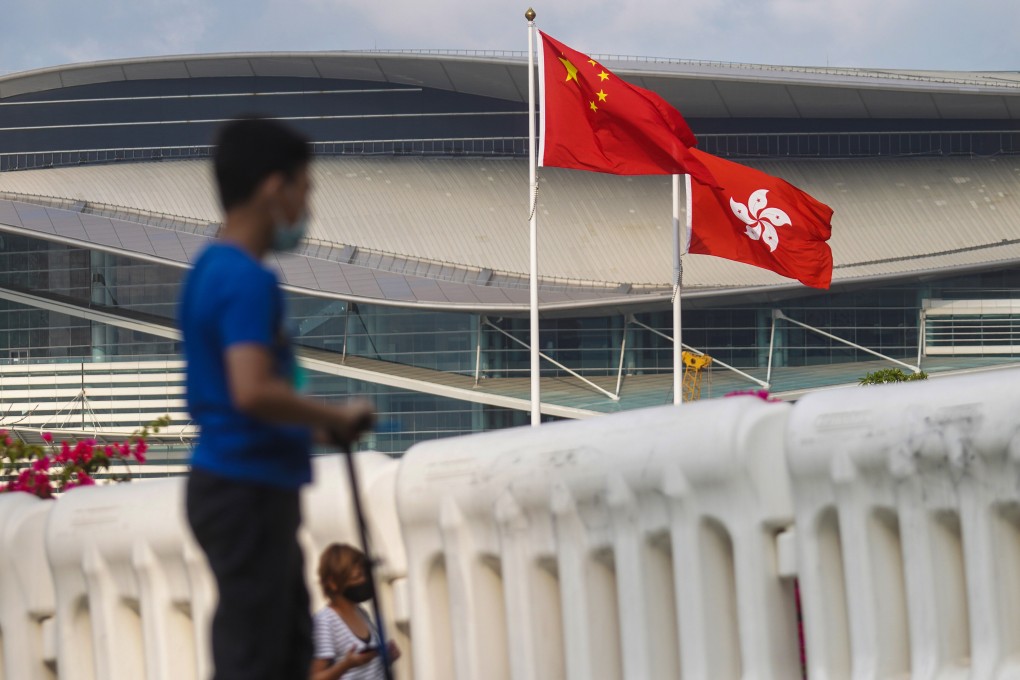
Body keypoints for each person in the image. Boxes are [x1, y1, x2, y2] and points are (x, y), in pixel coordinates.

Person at [181, 116, 375, 680]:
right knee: (261, 656)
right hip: (248, 489)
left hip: (230, 484)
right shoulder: (247, 279)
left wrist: (315, 429)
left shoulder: (207, 268)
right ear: (274, 188)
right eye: (304, 188)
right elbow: (251, 389)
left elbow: (230, 395)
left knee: (271, 643)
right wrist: (337, 415)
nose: (306, 205)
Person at [311, 543, 400, 680]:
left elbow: (367, 670)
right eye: (357, 577)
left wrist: (386, 657)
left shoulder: (361, 612)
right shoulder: (325, 622)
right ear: (333, 583)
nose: (364, 581)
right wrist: (346, 665)